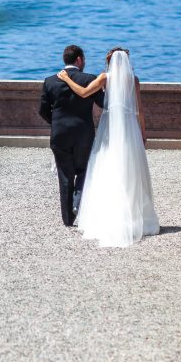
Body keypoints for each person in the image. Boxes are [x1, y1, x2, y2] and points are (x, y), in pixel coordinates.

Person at [56, 48, 160, 247]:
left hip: (110, 127)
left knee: (107, 164)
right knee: (130, 168)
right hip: (130, 128)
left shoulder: (105, 77)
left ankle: (107, 215)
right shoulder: (134, 80)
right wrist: (143, 133)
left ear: (110, 62)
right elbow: (140, 111)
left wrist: (67, 79)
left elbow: (84, 92)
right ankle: (135, 217)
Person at [38, 44, 103, 226]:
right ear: (79, 60)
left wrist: (56, 123)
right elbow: (103, 103)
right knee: (84, 170)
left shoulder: (50, 81)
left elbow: (42, 110)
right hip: (84, 133)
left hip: (60, 135)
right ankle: (78, 202)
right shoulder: (89, 79)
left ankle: (68, 219)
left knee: (65, 176)